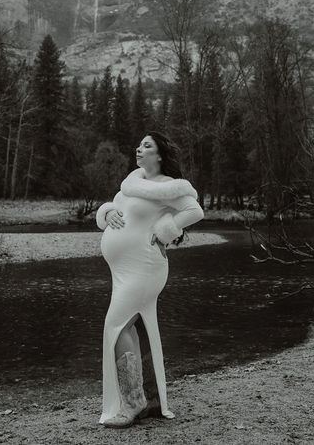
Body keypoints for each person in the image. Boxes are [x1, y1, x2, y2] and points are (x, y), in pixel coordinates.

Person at [94, 131, 204, 428]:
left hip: (145, 266)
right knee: (129, 326)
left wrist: (167, 228)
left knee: (116, 325)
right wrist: (108, 213)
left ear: (159, 155)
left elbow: (195, 210)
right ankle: (148, 400)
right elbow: (117, 205)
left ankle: (132, 403)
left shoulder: (170, 187)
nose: (139, 149)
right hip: (122, 269)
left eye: (146, 145)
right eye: (139, 144)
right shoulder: (132, 182)